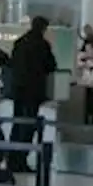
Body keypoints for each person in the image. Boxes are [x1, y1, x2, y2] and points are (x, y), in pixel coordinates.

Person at [8, 16, 57, 172]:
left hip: (18, 90)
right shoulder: (42, 45)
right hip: (33, 91)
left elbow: (12, 64)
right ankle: (21, 161)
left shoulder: (20, 42)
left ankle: (12, 159)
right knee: (29, 126)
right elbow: (51, 65)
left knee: (17, 125)